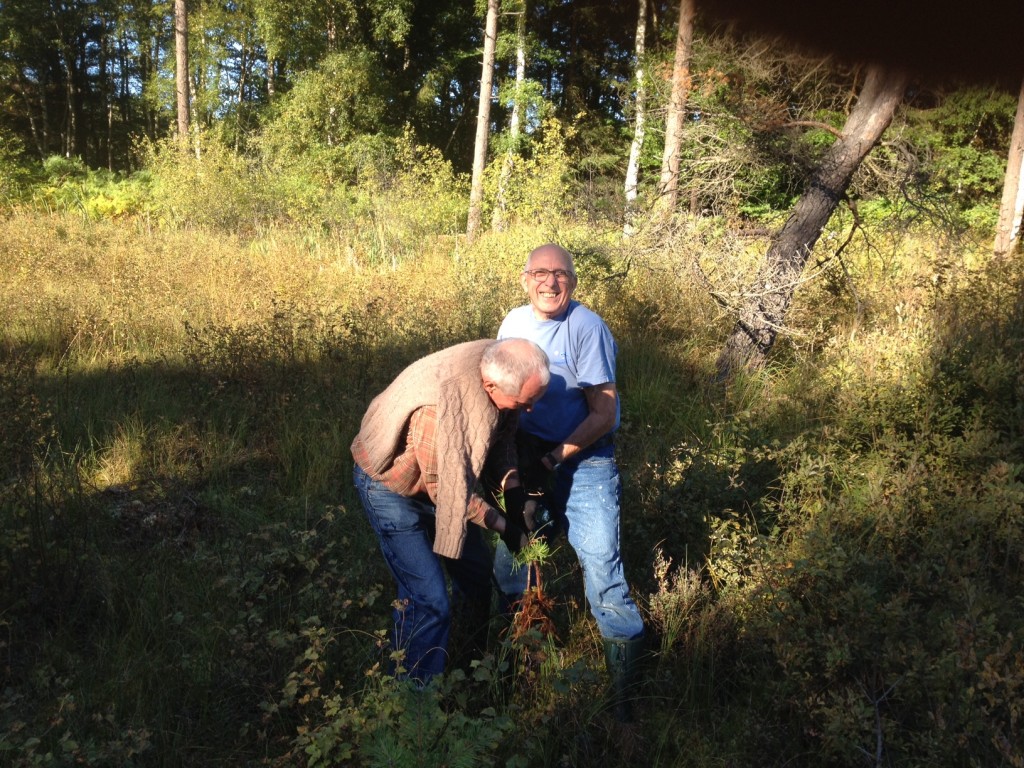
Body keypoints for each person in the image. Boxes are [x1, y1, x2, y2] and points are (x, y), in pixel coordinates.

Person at [495, 243, 645, 721]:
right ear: (524, 279)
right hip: (530, 455)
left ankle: (625, 705)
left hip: (585, 462)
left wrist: (556, 458)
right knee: (512, 563)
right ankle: (516, 672)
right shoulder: (512, 323)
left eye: (560, 274)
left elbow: (604, 414)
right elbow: (503, 398)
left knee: (602, 570)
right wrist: (518, 473)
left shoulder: (587, 328)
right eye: (540, 273)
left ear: (573, 282)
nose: (550, 283)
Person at [351, 337, 549, 683]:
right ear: (490, 386)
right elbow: (447, 493)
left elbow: (502, 437)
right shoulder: (440, 412)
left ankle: (465, 664)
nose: (529, 409)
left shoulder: (502, 365)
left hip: (445, 481)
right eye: (524, 402)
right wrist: (506, 528)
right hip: (392, 489)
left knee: (475, 576)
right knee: (428, 600)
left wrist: (514, 490)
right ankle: (413, 703)